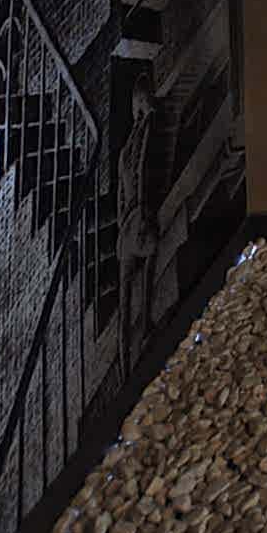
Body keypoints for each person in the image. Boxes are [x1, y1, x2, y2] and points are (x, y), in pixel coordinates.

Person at [116, 72, 157, 385]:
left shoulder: (140, 133)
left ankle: (129, 365)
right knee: (137, 293)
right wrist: (136, 215)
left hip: (134, 222)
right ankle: (129, 362)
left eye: (138, 101)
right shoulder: (139, 133)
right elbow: (136, 175)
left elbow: (137, 175)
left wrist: (132, 219)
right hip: (135, 221)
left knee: (132, 298)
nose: (138, 105)